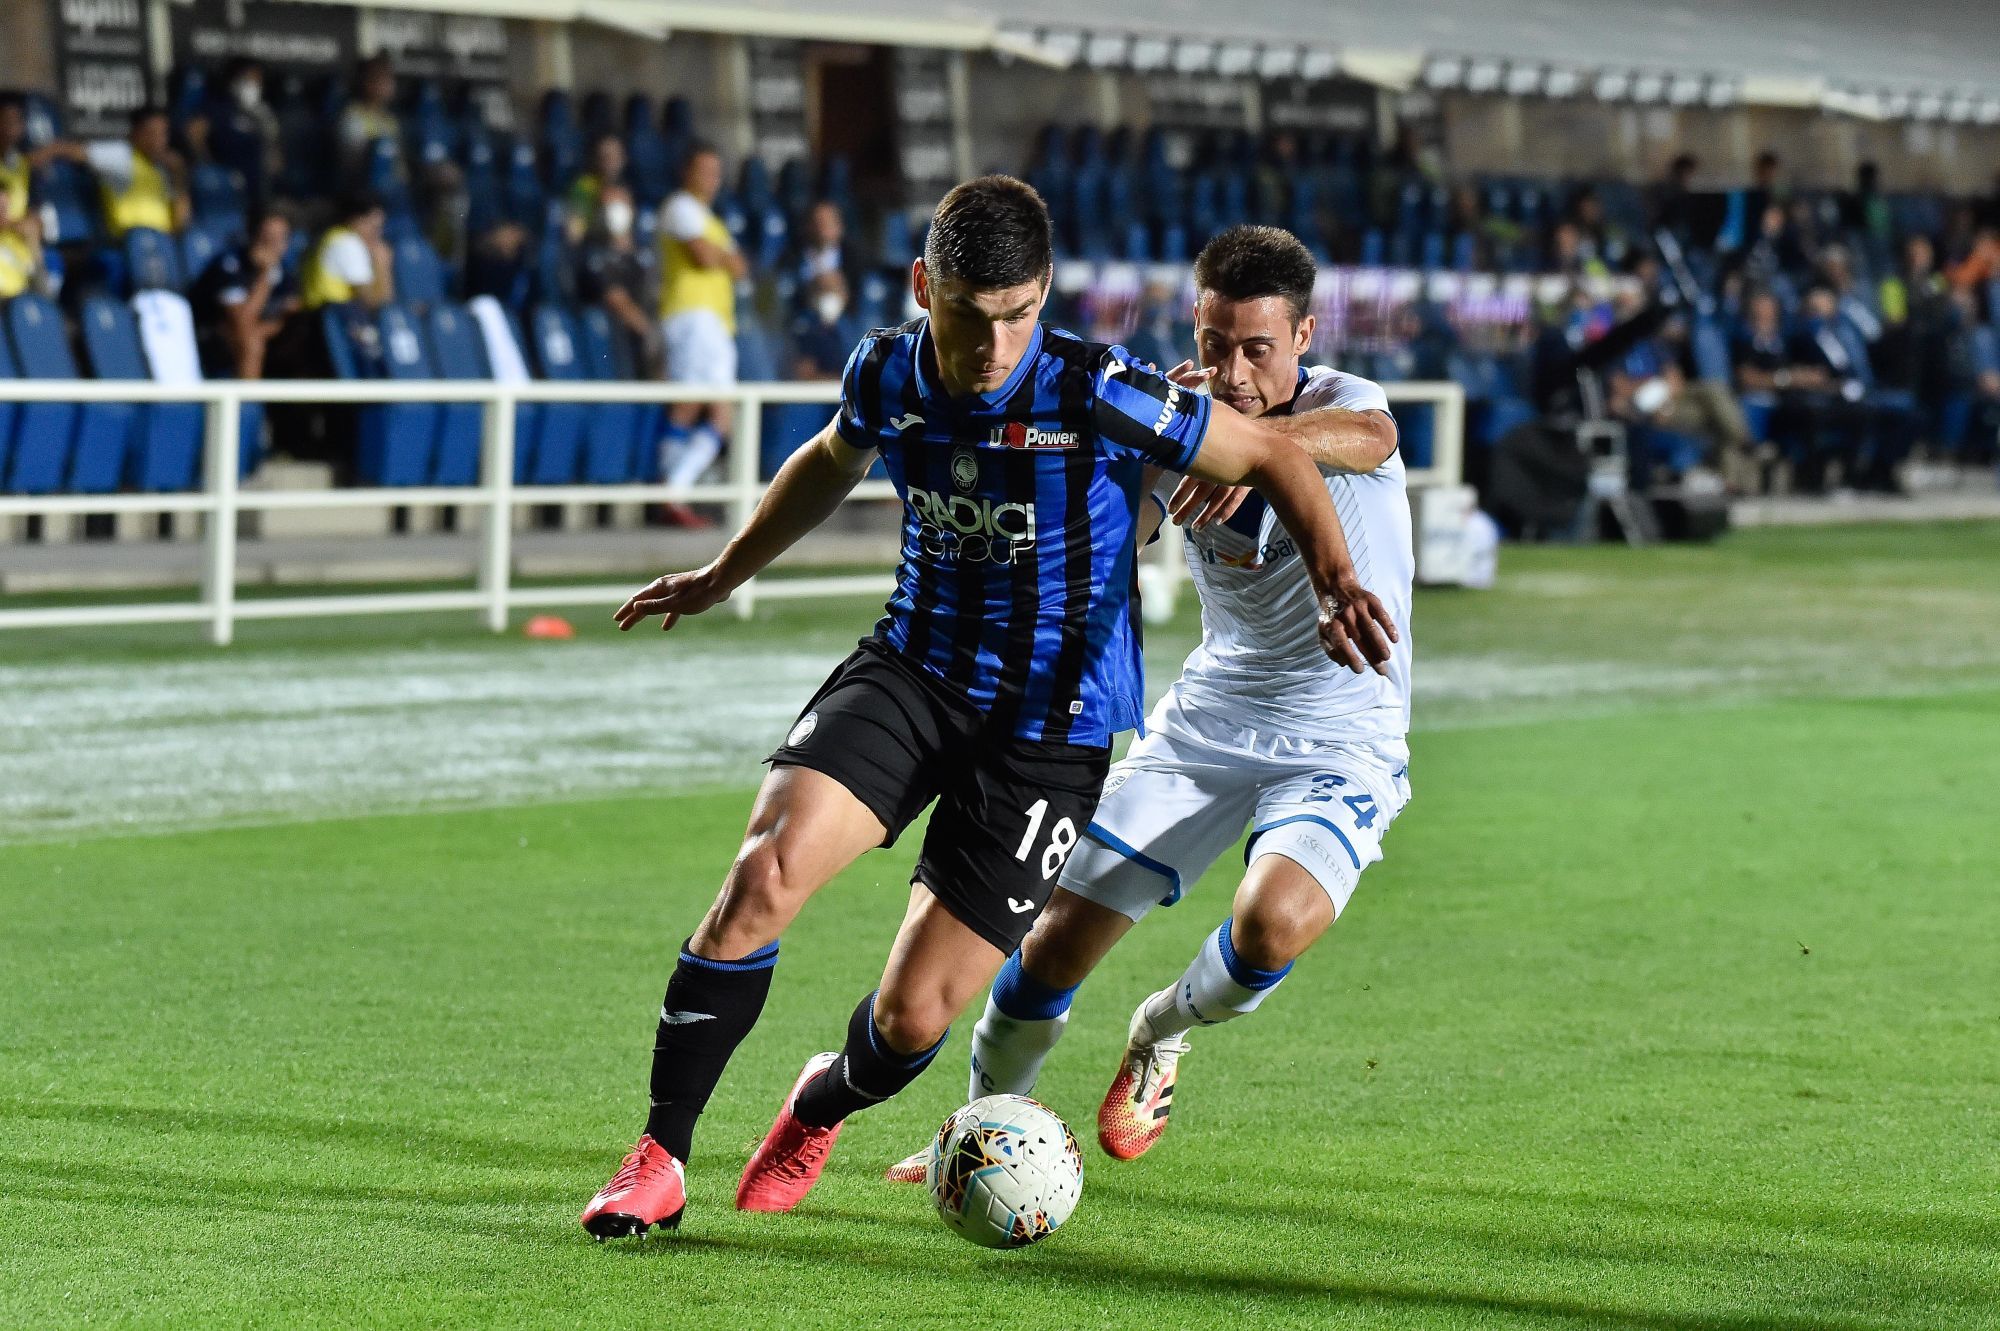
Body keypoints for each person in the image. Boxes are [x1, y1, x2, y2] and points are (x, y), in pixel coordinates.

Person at [577, 177, 1399, 1240]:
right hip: (912, 669)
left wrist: (1334, 579)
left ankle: (821, 1100)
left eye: (1017, 313)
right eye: (968, 312)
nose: (993, 342)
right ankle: (659, 1157)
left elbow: (1287, 450)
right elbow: (832, 457)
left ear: (1045, 295)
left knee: (913, 1013)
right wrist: (723, 571)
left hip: (1049, 729)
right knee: (761, 875)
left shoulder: (1098, 385)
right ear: (926, 287)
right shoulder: (885, 367)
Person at [865, 224, 1412, 1176]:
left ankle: (1160, 1029)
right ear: (1193, 328)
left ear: (1305, 337)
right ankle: (987, 1123)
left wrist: (1250, 447)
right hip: (1207, 722)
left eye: (1259, 349)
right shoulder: (1173, 414)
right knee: (1047, 943)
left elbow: (1374, 438)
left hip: (1342, 733)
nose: (1234, 371)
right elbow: (1137, 517)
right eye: (1214, 345)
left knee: (1269, 924)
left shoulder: (1343, 406)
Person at [654, 142, 747, 515]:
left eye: (716, 171)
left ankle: (675, 489)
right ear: (687, 173)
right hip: (691, 317)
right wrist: (723, 257)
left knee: (722, 414)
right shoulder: (680, 208)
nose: (712, 178)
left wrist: (723, 258)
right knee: (690, 402)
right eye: (704, 170)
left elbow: (739, 266)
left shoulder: (712, 220)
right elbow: (705, 257)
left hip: (715, 322)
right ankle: (669, 492)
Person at [187, 208, 296, 379]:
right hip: (212, 337)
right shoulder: (230, 265)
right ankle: (248, 405)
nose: (273, 245)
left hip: (265, 333)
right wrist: (265, 276)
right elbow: (241, 321)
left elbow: (291, 314)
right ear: (253, 236)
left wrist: (267, 329)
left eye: (280, 239)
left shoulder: (285, 270)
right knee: (250, 341)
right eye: (267, 238)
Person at [575, 183, 661, 374]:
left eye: (619, 204)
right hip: (616, 342)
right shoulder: (593, 255)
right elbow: (616, 300)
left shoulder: (646, 253)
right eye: (608, 205)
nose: (614, 211)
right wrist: (653, 334)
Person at [88, 106, 188, 239]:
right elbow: (67, 150)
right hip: (128, 245)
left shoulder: (163, 169)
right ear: (136, 133)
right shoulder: (120, 156)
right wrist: (50, 155)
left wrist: (178, 176)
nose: (159, 140)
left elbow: (181, 224)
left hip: (163, 243)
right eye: (152, 133)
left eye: (163, 134)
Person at [299, 191, 393, 311]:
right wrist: (382, 266)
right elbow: (374, 304)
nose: (378, 235)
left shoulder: (332, 236)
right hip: (333, 318)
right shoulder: (347, 243)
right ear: (355, 220)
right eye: (374, 228)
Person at [337, 55, 400, 191]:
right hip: (363, 191)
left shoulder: (389, 119)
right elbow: (353, 165)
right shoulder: (352, 116)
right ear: (368, 83)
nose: (390, 85)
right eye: (384, 80)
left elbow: (398, 166)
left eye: (390, 80)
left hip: (392, 189)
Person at [565, 133, 628, 242]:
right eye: (606, 157)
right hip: (592, 249)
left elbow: (627, 241)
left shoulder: (625, 188)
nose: (611, 163)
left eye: (616, 157)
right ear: (597, 160)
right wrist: (598, 205)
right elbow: (574, 234)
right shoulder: (585, 187)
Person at [0, 180, 48, 298]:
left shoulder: (18, 242)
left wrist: (34, 243)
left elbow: (44, 293)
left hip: (17, 303)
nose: (2, 213)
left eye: (4, 208)